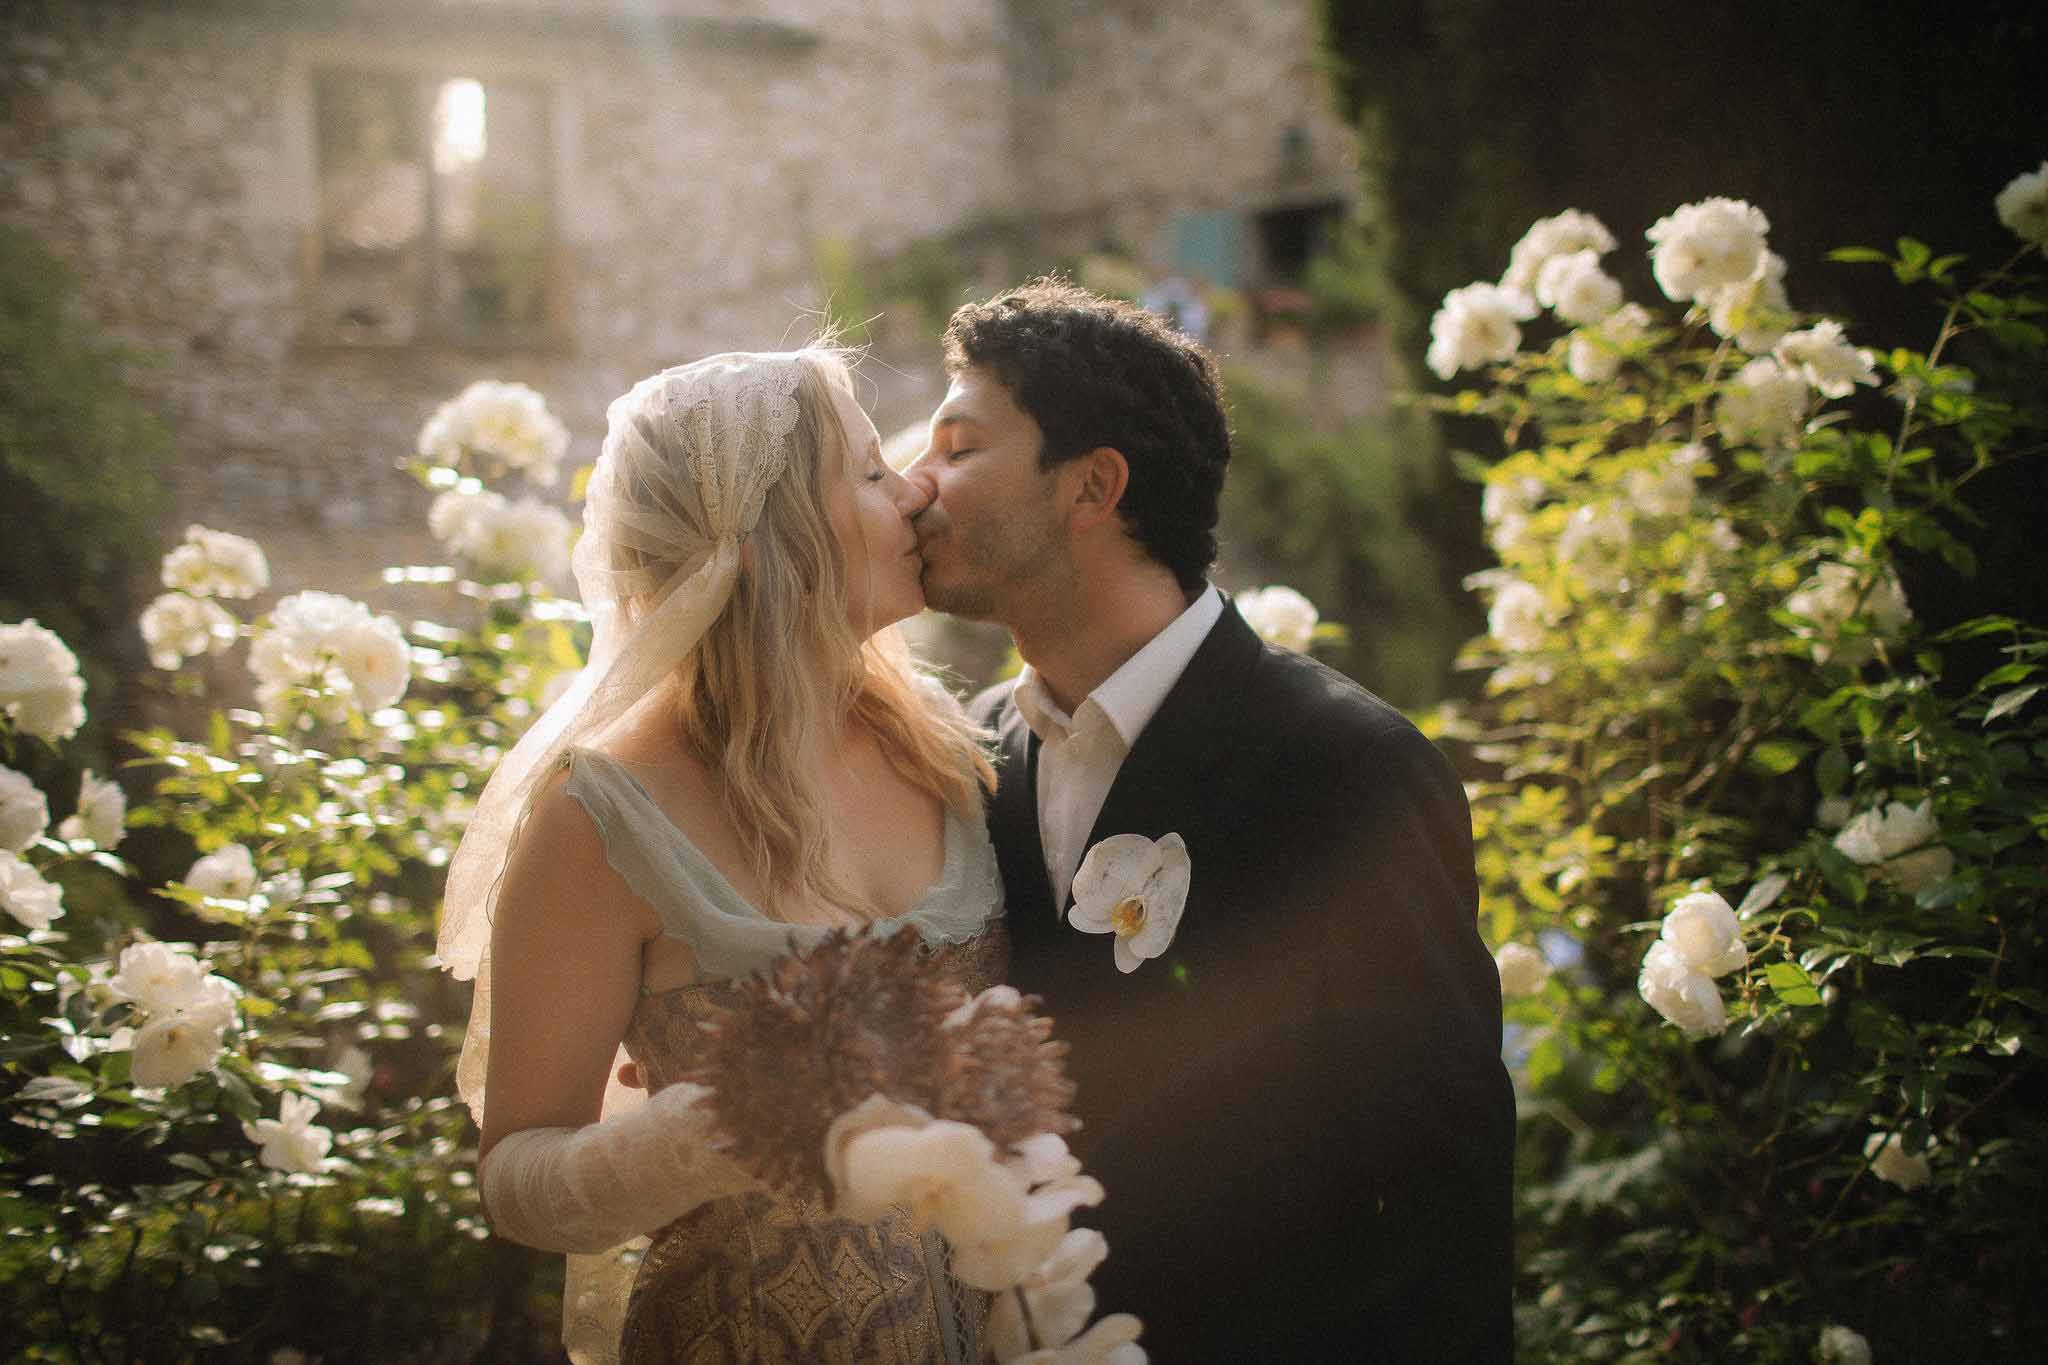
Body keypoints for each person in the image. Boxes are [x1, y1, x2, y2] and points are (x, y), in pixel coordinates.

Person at [905, 279, 1516, 1362]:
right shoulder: (959, 759)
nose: (918, 484)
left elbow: (1440, 1200)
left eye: (958, 447)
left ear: (1090, 488)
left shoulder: (1350, 770)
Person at [438, 348, 1005, 1365]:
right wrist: (709, 1130)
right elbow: (516, 1179)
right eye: (872, 475)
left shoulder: (949, 753)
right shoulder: (600, 816)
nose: (916, 486)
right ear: (768, 544)